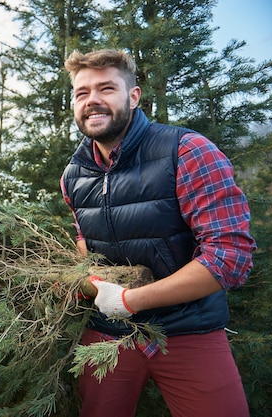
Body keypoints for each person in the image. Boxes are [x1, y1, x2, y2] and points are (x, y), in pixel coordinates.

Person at [60, 49, 256, 417]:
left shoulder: (188, 151)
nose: (93, 101)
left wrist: (133, 301)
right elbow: (85, 243)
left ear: (133, 97)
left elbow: (230, 256)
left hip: (188, 329)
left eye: (106, 89)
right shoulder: (73, 175)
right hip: (108, 337)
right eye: (82, 92)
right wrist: (78, 278)